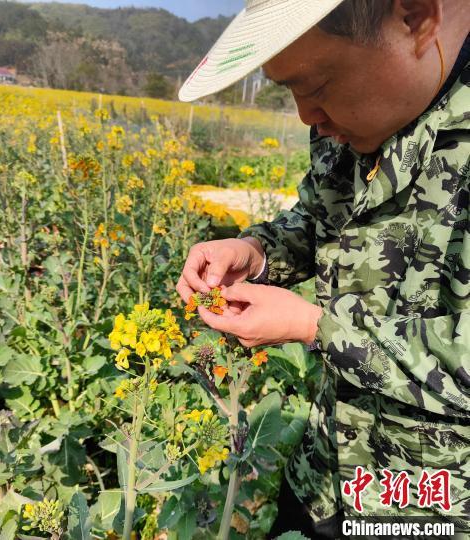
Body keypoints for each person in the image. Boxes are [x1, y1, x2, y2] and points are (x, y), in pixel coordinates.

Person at [176, 0, 470, 537]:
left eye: (314, 86)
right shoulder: (345, 121)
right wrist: (257, 253)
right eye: (288, 90)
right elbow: (321, 217)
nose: (306, 116)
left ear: (415, 19)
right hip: (323, 475)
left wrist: (317, 328)